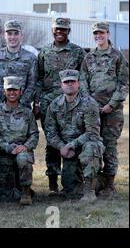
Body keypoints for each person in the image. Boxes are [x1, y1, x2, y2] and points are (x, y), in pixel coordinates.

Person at [35, 17, 86, 196]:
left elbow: (84, 79)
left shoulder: (78, 52)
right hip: (50, 104)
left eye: (63, 29)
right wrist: (38, 102)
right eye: (57, 29)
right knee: (52, 142)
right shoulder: (44, 52)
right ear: (52, 30)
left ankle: (73, 179)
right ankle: (52, 183)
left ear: (68, 31)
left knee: (73, 138)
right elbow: (39, 79)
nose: (60, 32)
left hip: (73, 104)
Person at [80, 21, 129, 198]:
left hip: (112, 111)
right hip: (93, 111)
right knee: (93, 144)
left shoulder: (118, 57)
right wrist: (89, 103)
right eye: (95, 34)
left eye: (101, 33)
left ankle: (109, 184)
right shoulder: (88, 57)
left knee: (109, 147)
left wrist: (111, 104)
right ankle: (94, 181)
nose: (98, 36)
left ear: (108, 34)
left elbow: (124, 84)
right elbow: (83, 80)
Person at [45, 70, 104, 202]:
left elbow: (92, 132)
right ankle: (86, 183)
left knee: (91, 146)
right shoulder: (54, 105)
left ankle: (90, 190)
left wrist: (72, 144)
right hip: (67, 150)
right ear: (61, 85)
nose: (70, 84)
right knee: (71, 191)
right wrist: (61, 147)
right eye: (66, 82)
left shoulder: (89, 103)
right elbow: (50, 133)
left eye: (73, 81)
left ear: (78, 84)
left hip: (85, 145)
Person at [0, 76, 39, 205]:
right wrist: (8, 147)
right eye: (9, 90)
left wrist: (25, 147)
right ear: (4, 91)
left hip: (22, 151)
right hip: (3, 153)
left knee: (23, 158)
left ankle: (25, 192)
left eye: (15, 90)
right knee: (6, 196)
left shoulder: (27, 112)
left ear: (21, 91)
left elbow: (34, 134)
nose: (12, 93)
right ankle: (12, 186)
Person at [0, 20, 37, 109]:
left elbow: (32, 84)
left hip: (22, 109)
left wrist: (21, 104)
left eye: (16, 33)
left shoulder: (30, 58)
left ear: (21, 36)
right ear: (4, 35)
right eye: (9, 34)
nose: (13, 37)